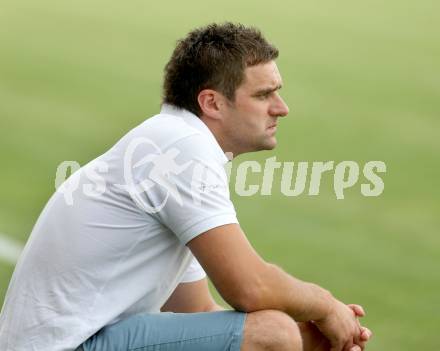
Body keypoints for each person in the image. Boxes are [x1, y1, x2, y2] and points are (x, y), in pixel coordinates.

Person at [0, 23, 372, 351]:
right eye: (263, 95)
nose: (282, 107)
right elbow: (250, 288)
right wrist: (324, 305)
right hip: (66, 345)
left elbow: (196, 311)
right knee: (273, 331)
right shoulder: (181, 149)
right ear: (211, 102)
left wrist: (316, 341)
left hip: (75, 340)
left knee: (277, 333)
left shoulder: (176, 141)